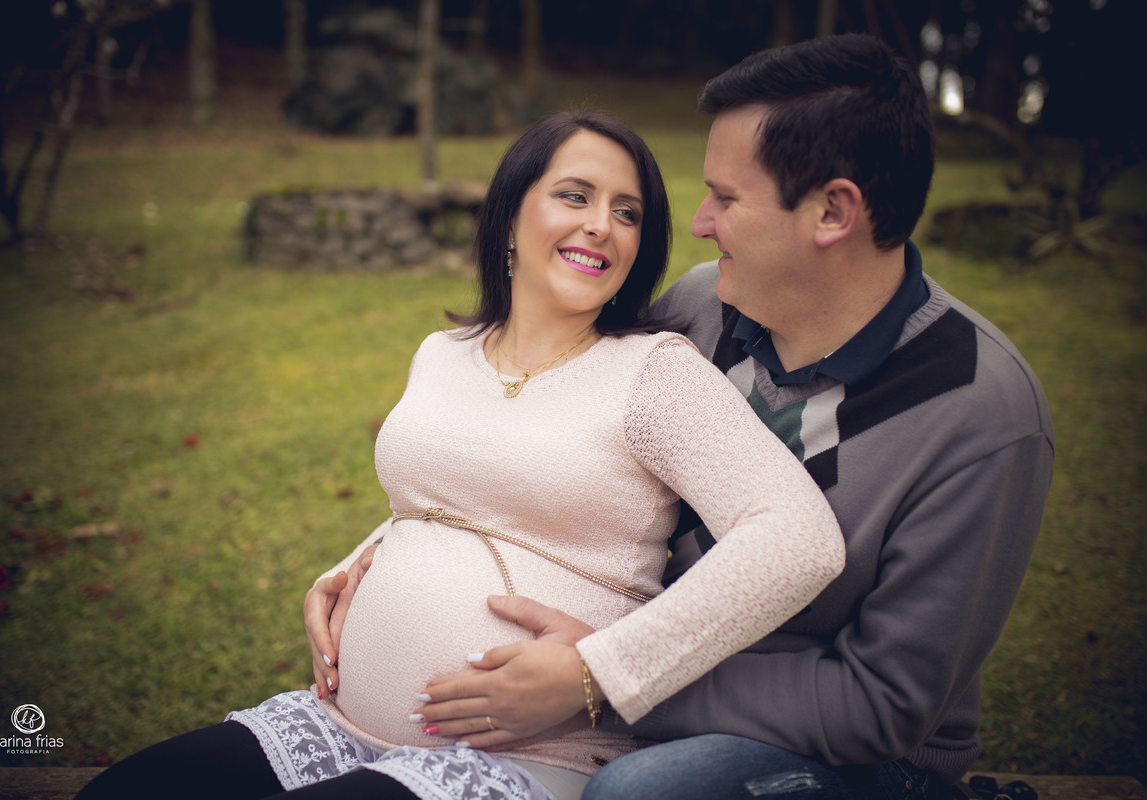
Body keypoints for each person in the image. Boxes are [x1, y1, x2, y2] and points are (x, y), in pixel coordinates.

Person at [308, 35, 1056, 799]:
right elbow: (547, 443)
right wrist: (384, 554)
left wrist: (607, 678)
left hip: (850, 758)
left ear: (833, 211)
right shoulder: (706, 305)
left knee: (641, 793)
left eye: (727, 199)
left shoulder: (982, 415)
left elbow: (883, 707)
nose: (699, 222)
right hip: (641, 673)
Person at [75, 111, 844, 800]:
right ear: (509, 217)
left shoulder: (655, 371)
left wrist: (599, 671)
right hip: (334, 727)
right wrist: (352, 567)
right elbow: (438, 498)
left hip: (521, 759)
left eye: (627, 211)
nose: (602, 225)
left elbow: (797, 538)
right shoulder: (443, 353)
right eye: (574, 196)